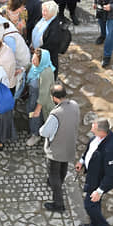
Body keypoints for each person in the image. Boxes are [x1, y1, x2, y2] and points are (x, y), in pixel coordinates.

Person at [38, 83, 80, 212]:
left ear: (54, 98)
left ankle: (58, 204)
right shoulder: (75, 105)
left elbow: (44, 132)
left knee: (54, 174)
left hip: (55, 151)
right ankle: (58, 183)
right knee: (63, 167)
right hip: (70, 145)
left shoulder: (55, 114)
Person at [75, 118, 113, 226]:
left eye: (93, 129)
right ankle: (95, 224)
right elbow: (90, 149)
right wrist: (82, 161)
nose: (91, 130)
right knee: (94, 205)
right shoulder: (97, 138)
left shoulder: (110, 149)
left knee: (89, 205)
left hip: (98, 180)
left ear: (102, 132)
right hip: (92, 174)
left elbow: (112, 176)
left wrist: (99, 191)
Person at [24, 49, 55, 146]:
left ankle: (36, 135)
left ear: (42, 61)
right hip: (33, 97)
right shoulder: (37, 67)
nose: (33, 61)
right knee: (32, 114)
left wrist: (38, 108)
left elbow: (44, 93)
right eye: (33, 58)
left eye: (35, 60)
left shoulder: (46, 72)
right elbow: (30, 66)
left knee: (35, 116)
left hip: (40, 101)